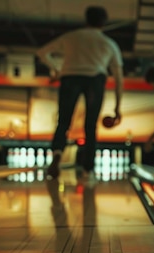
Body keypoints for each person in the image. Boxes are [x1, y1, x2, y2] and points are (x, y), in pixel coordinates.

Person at [36, 6, 124, 180]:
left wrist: (57, 71)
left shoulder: (72, 37)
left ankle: (57, 153)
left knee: (63, 122)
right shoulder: (109, 43)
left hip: (70, 78)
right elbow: (119, 78)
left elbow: (42, 52)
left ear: (86, 20)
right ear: (104, 23)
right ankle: (88, 169)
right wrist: (117, 107)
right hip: (95, 80)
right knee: (90, 127)